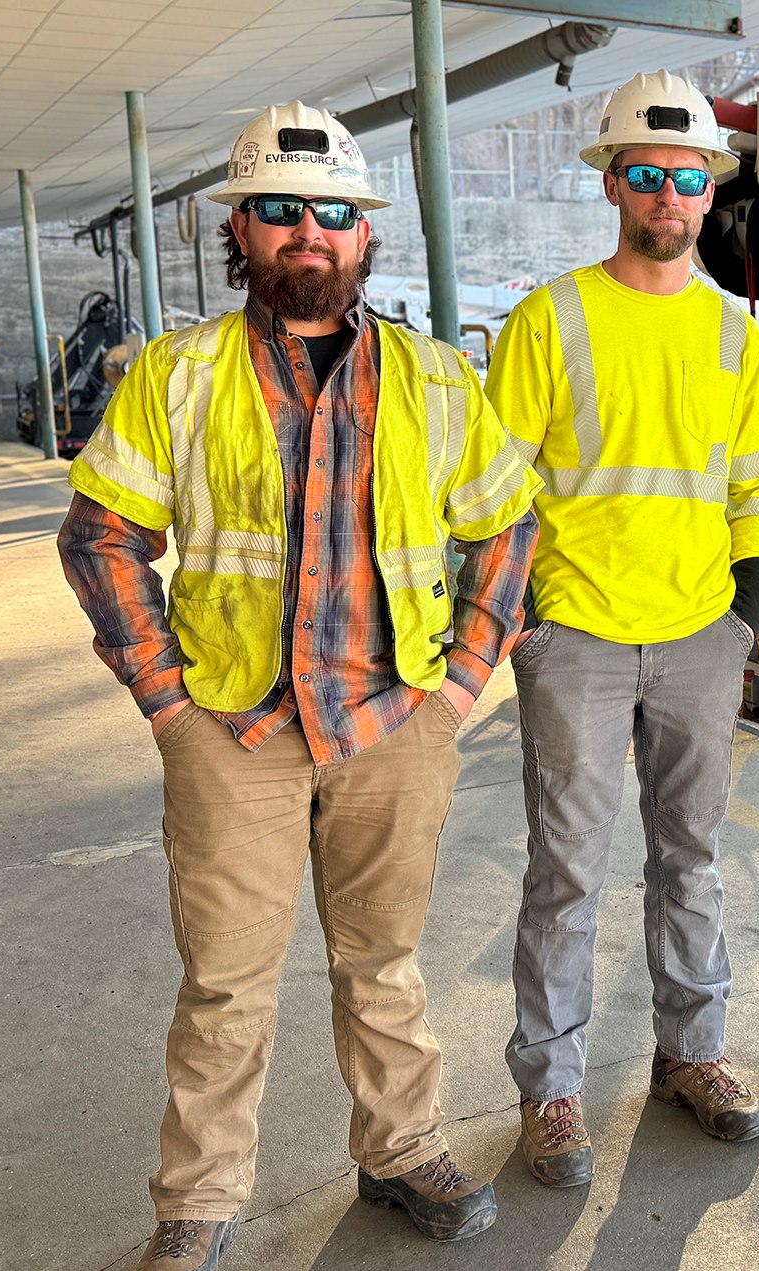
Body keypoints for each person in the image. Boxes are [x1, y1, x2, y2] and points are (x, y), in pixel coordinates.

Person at [58, 102, 541, 1267]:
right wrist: (169, 705)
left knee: (384, 960)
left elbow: (511, 529)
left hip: (394, 721)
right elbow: (100, 538)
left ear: (365, 235)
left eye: (332, 214)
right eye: (280, 211)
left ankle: (400, 1145)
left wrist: (463, 678)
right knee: (226, 981)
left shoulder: (433, 379)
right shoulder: (178, 375)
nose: (307, 233)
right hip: (236, 726)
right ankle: (203, 1200)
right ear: (243, 230)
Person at [484, 69, 759, 1188]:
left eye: (689, 178)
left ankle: (691, 1055)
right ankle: (551, 1089)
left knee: (691, 860)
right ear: (613, 183)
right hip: (578, 640)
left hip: (701, 633)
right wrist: (527, 622)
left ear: (712, 192)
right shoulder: (549, 318)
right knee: (566, 869)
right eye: (648, 175)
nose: (670, 195)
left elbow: (758, 487)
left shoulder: (730, 334)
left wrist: (741, 622)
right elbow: (493, 493)